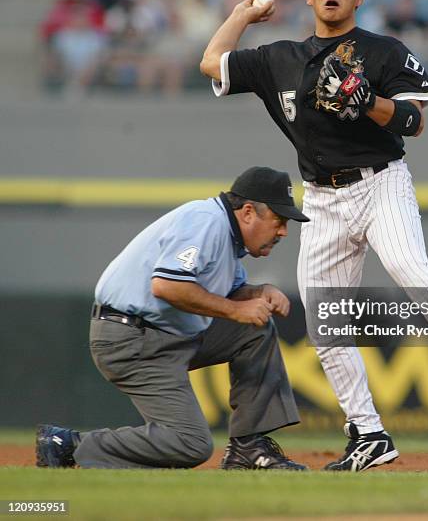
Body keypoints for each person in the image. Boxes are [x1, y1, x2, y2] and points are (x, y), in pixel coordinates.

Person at [200, 0, 428, 472]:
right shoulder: (279, 58)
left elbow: (414, 121)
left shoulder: (383, 51)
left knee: (409, 264)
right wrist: (242, 15)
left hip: (380, 181)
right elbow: (211, 62)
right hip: (320, 199)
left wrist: (367, 101)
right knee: (325, 324)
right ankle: (368, 435)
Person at [36, 167, 309, 471]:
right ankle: (69, 445)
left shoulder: (227, 237)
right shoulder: (207, 222)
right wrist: (235, 310)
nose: (284, 231)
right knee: (190, 443)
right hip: (132, 338)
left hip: (165, 334)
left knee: (255, 330)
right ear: (248, 212)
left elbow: (231, 291)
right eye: (279, 220)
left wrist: (258, 291)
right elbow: (167, 286)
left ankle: (248, 447)